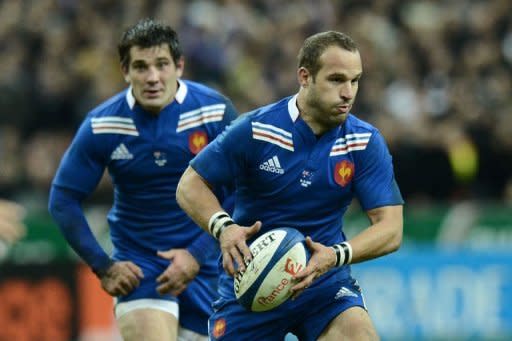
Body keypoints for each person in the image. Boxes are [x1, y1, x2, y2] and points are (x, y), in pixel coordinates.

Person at [176, 31, 404, 341]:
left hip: (323, 283)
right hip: (252, 284)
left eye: (355, 80)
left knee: (358, 335)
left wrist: (335, 256)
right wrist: (224, 228)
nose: (348, 92)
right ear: (304, 76)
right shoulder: (256, 129)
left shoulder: (363, 142)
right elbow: (190, 184)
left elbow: (391, 228)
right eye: (336, 80)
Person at [48, 18, 238, 341]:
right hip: (139, 266)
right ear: (125, 71)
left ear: (179, 66)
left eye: (162, 65)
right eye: (140, 66)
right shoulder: (103, 125)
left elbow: (239, 190)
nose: (152, 77)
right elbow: (62, 200)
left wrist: (197, 254)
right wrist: (103, 266)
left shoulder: (214, 112)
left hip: (206, 266)